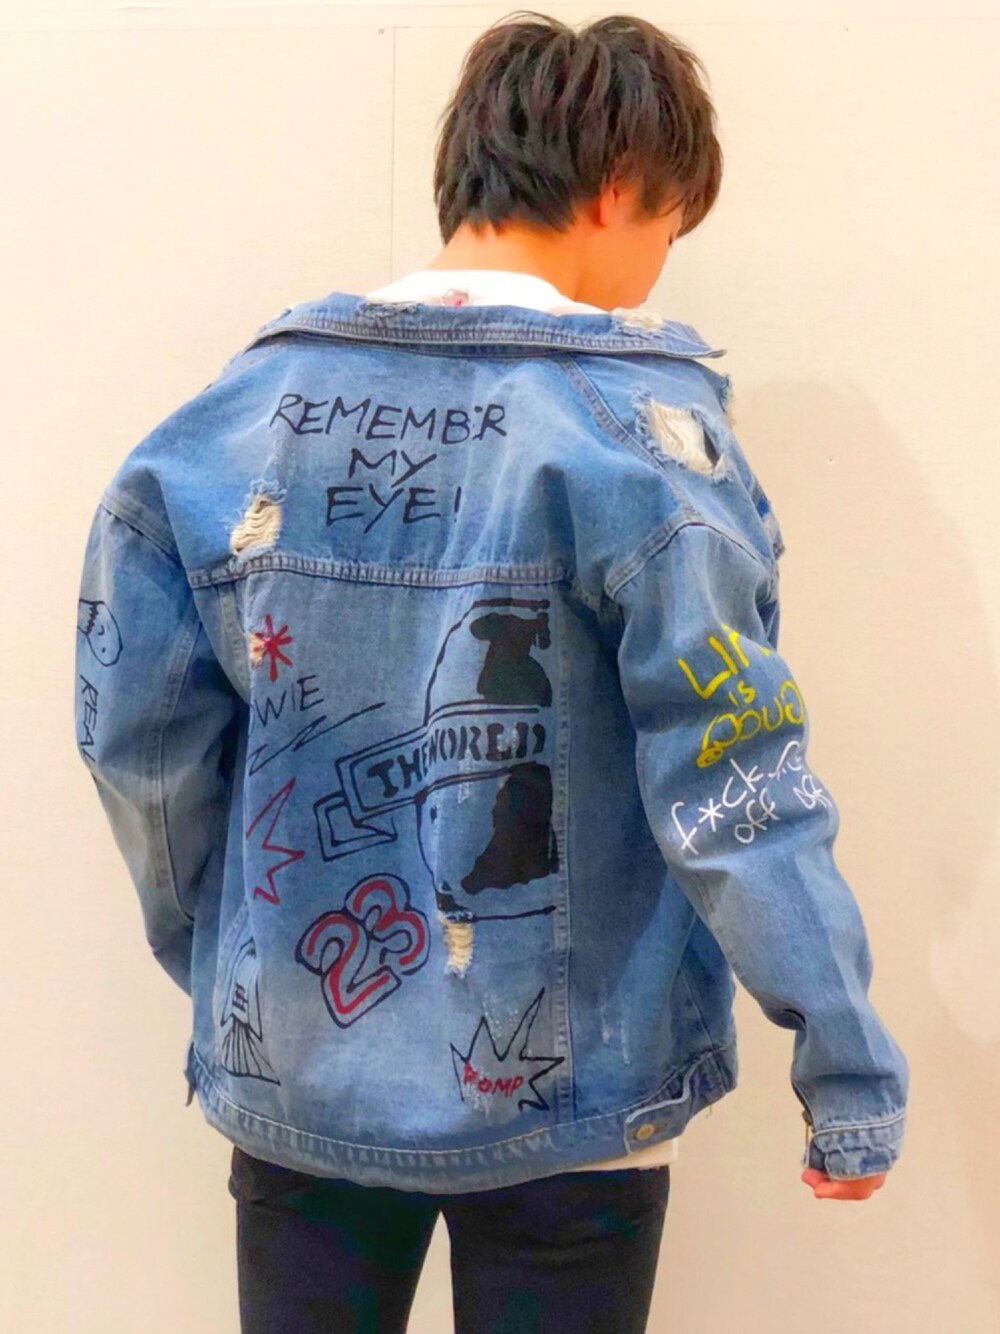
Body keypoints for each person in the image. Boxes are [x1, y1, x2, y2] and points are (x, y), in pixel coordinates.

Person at [73, 10, 909, 1332]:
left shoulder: (231, 425)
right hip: (573, 1094)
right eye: (670, 225)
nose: (659, 268)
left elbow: (136, 739)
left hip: (300, 1056)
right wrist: (846, 1058)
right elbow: (734, 776)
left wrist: (228, 951)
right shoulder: (638, 442)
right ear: (621, 185)